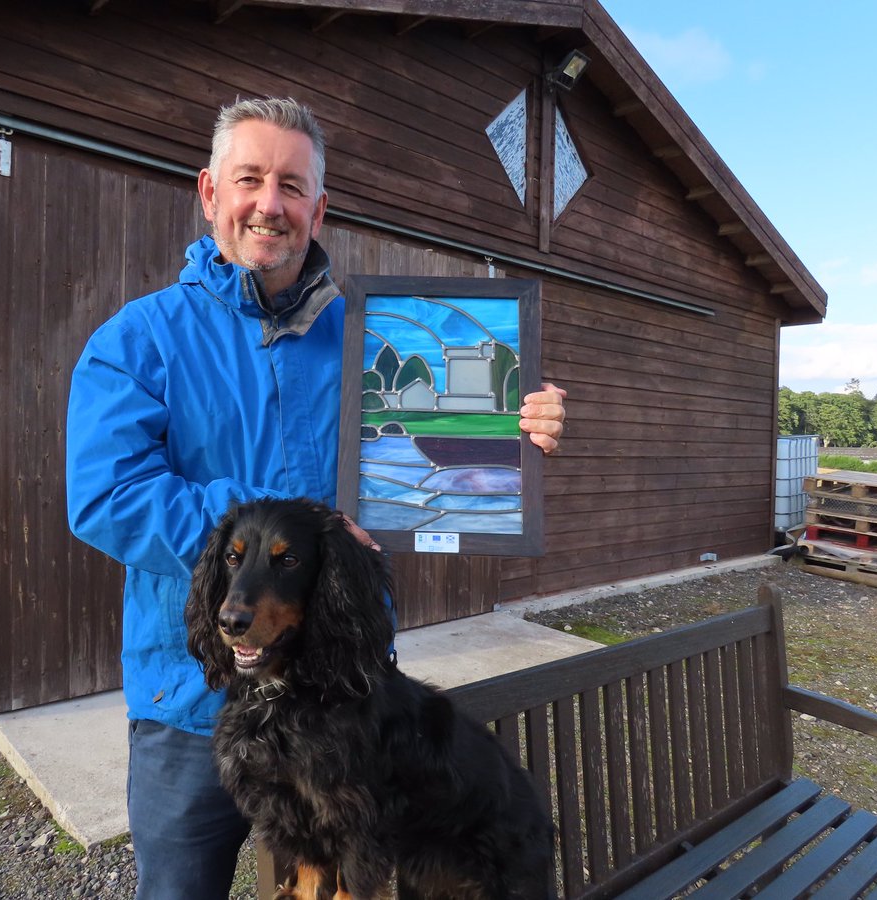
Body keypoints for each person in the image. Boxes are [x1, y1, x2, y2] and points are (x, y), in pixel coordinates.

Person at [65, 97, 567, 900]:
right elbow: (108, 497)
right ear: (209, 192)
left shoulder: (378, 343)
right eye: (251, 179)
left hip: (341, 695)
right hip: (190, 699)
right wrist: (274, 531)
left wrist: (516, 431)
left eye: (292, 185)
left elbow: (436, 458)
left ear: (318, 208)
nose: (270, 204)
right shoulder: (139, 338)